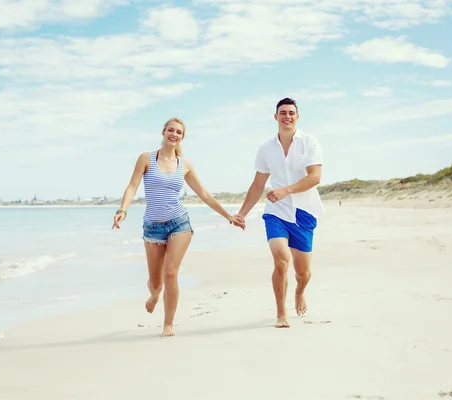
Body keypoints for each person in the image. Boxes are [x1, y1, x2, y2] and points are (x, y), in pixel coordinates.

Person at [112, 117, 245, 337]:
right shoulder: (146, 158)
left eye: (179, 132)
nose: (174, 134)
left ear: (182, 137)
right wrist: (122, 211)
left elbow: (203, 194)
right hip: (152, 227)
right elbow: (132, 186)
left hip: (179, 223)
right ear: (163, 132)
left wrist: (228, 216)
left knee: (171, 273)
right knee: (155, 283)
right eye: (170, 130)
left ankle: (168, 324)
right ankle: (155, 296)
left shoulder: (184, 164)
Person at [234, 97, 324, 328]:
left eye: (291, 113)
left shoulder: (309, 142)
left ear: (297, 116)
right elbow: (257, 185)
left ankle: (300, 292)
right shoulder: (266, 148)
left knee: (303, 273)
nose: (287, 116)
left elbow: (315, 177)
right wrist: (242, 213)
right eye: (282, 113)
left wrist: (286, 190)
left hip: (305, 212)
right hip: (276, 212)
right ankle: (281, 314)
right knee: (282, 261)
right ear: (276, 117)